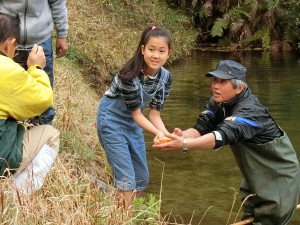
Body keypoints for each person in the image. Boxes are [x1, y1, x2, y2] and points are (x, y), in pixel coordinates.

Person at [153, 60, 300, 225]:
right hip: (254, 174)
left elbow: (221, 136)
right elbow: (201, 128)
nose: (215, 86)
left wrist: (185, 145)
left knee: (270, 218)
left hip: (278, 177)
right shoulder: (218, 102)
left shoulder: (251, 111)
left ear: (239, 87)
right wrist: (181, 137)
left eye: (222, 82)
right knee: (250, 212)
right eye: (214, 80)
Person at [96, 25, 173, 210]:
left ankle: (122, 211)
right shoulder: (128, 75)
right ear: (143, 50)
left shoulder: (165, 78)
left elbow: (154, 114)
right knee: (126, 179)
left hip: (132, 123)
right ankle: (121, 219)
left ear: (169, 54)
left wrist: (169, 136)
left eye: (161, 51)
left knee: (141, 178)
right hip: (111, 120)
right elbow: (137, 113)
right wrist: (157, 133)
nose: (156, 55)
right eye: (152, 49)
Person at [0, 12, 60, 195]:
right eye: (15, 49)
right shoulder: (7, 70)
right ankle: (15, 195)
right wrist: (36, 68)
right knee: (51, 135)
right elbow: (43, 100)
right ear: (9, 44)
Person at [0, 0, 69, 125]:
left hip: (41, 39)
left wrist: (62, 34)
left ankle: (42, 136)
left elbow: (57, 2)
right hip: (5, 38)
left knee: (44, 107)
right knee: (5, 99)